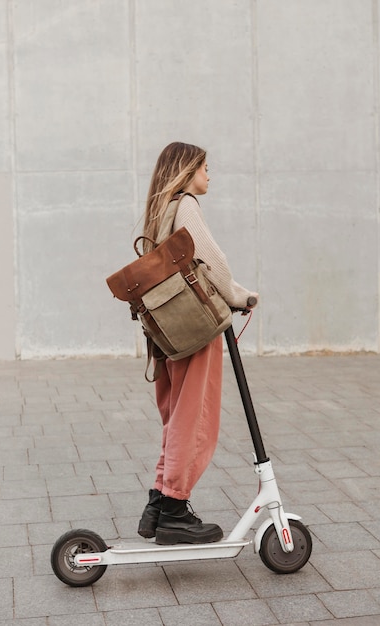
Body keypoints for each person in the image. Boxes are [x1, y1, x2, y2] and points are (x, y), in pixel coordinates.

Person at [138, 141, 258, 545]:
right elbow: (210, 260)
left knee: (176, 415)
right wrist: (240, 296)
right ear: (187, 171)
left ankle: (159, 500)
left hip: (167, 334)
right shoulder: (186, 203)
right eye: (205, 166)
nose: (210, 174)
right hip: (194, 330)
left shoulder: (158, 211)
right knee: (197, 415)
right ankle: (174, 508)